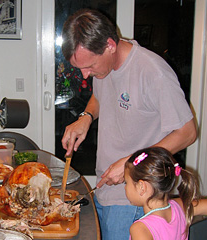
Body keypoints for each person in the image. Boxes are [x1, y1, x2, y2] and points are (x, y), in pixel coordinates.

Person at [60, 8, 197, 240]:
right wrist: (86, 117)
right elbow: (100, 97)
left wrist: (129, 163)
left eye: (89, 66)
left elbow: (187, 132)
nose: (84, 75)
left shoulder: (153, 72)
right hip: (105, 189)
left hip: (135, 198)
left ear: (110, 45)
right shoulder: (105, 67)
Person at [124, 147, 207, 240]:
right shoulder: (180, 206)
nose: (125, 187)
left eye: (126, 182)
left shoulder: (140, 229)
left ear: (141, 187)